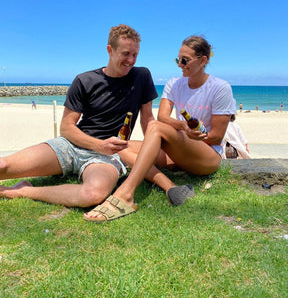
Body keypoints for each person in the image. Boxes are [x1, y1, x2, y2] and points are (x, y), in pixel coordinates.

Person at [0, 24, 160, 208]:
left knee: (92, 194)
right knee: (3, 165)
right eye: (126, 54)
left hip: (106, 157)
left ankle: (22, 190)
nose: (131, 60)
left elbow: (147, 119)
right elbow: (66, 128)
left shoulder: (142, 76)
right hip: (72, 145)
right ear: (110, 50)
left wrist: (153, 150)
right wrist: (100, 145)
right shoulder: (84, 80)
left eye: (135, 55)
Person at [84, 35, 236, 222]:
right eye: (177, 60)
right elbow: (163, 116)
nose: (179, 64)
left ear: (203, 60)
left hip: (207, 156)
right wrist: (182, 127)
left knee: (155, 127)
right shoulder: (175, 83)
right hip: (180, 151)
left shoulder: (220, 88)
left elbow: (216, 137)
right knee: (119, 146)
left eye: (184, 60)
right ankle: (170, 186)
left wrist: (193, 135)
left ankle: (125, 195)